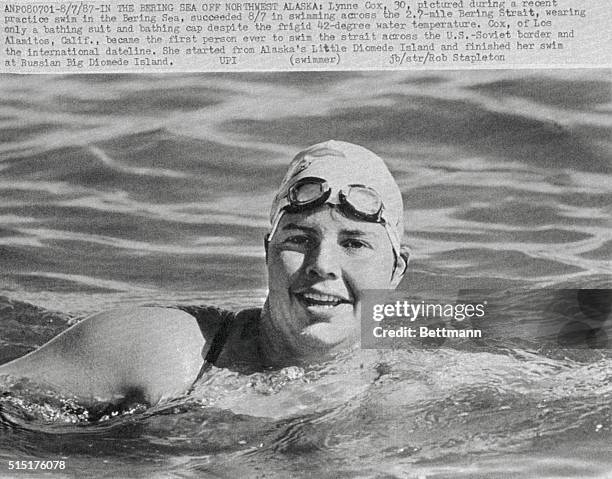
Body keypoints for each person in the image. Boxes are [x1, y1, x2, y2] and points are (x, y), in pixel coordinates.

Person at [0, 140, 409, 406]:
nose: (322, 265)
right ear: (267, 251)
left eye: (354, 244)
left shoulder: (408, 396)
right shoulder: (165, 350)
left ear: (396, 270)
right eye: (299, 240)